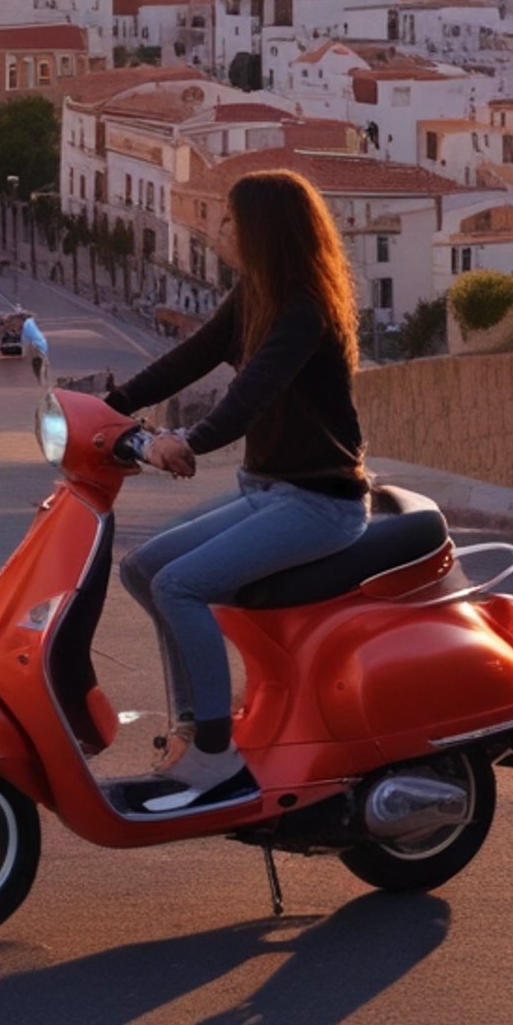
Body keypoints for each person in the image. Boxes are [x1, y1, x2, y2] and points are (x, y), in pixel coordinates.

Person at [104, 169, 369, 814]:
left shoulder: (306, 309)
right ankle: (194, 726)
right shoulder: (259, 294)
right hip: (270, 489)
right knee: (143, 569)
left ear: (263, 232)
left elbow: (252, 394)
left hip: (321, 504)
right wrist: (105, 408)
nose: (221, 231)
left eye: (231, 221)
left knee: (179, 585)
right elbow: (189, 358)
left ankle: (216, 754)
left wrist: (188, 440)